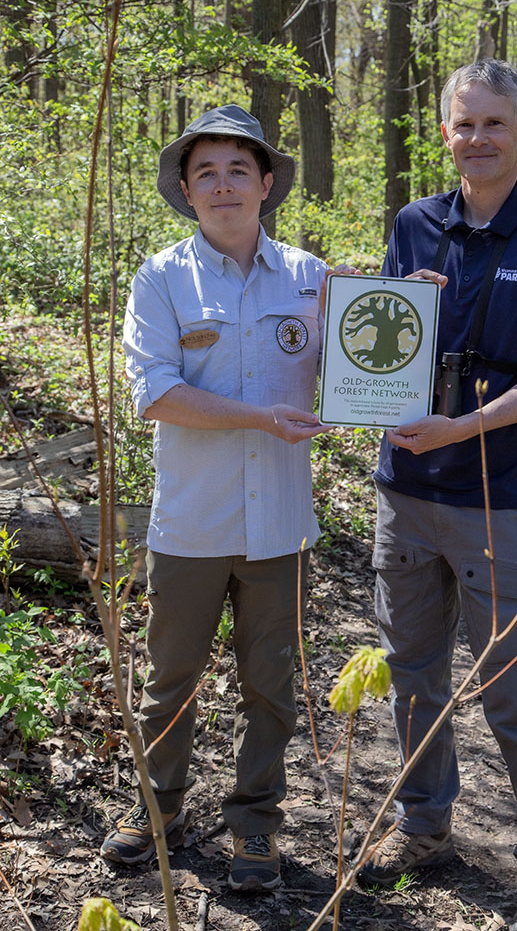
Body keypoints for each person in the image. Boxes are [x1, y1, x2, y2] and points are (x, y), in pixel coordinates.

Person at [358, 60, 517, 931]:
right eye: (463, 124)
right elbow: (384, 354)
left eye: (494, 124)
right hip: (406, 486)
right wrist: (401, 322)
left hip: (500, 494)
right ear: (442, 133)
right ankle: (423, 828)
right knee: (412, 672)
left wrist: (467, 429)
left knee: (512, 686)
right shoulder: (413, 224)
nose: (477, 139)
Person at [101, 105, 346, 891]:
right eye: (204, 170)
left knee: (269, 684)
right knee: (169, 677)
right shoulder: (161, 278)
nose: (222, 183)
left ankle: (254, 826)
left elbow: (360, 369)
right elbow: (157, 395)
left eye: (238, 168)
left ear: (266, 184)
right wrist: (258, 417)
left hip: (278, 522)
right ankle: (156, 806)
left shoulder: (313, 278)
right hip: (191, 521)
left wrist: (401, 302)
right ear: (185, 188)